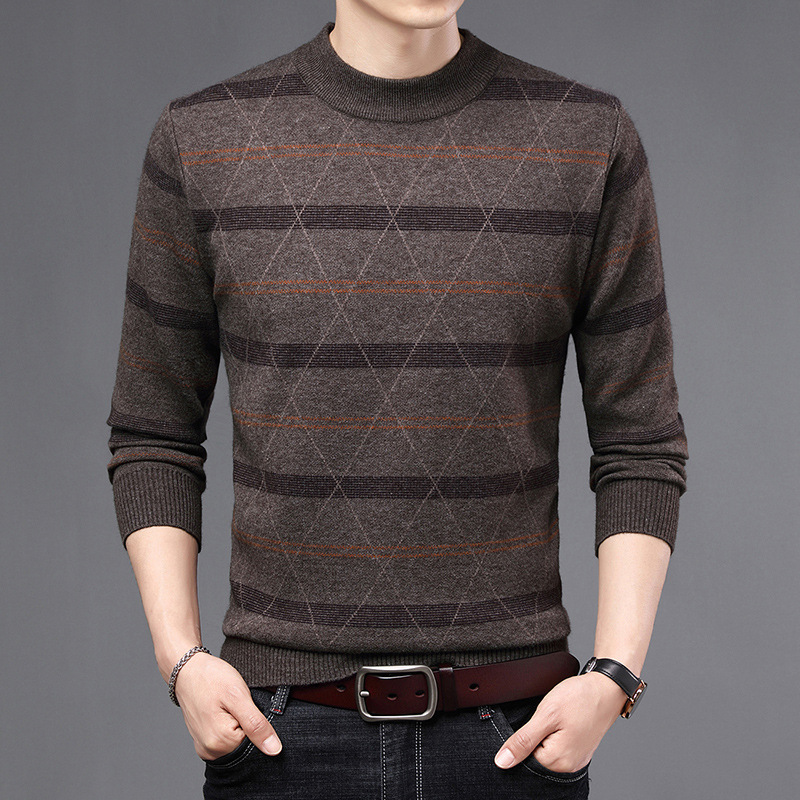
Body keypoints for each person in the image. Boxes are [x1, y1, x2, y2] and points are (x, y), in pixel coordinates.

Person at [105, 1, 689, 797]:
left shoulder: (587, 138)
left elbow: (639, 442)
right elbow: (154, 433)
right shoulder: (204, 139)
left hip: (510, 734)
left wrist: (614, 676)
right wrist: (182, 661)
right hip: (280, 734)